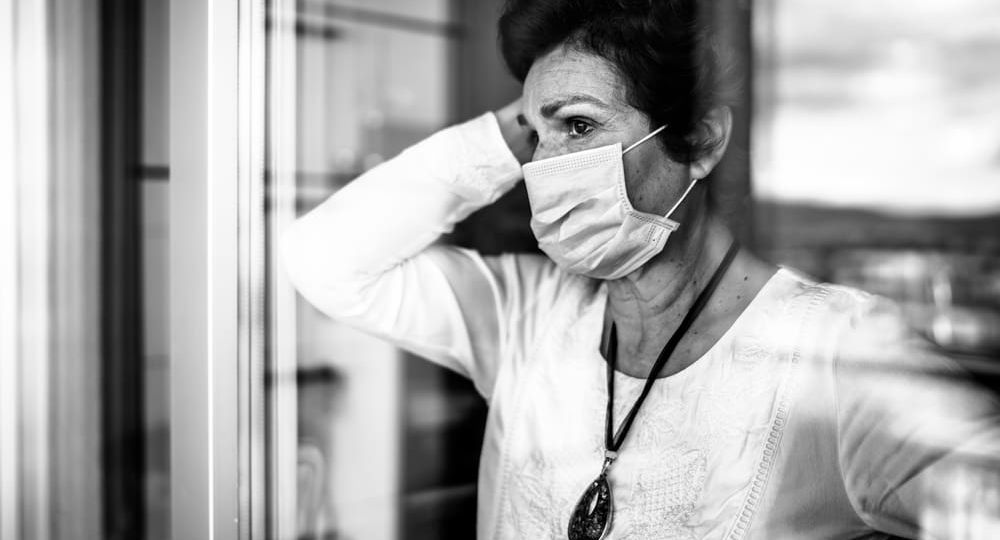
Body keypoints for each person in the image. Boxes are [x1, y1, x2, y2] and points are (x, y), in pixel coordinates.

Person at [282, 1, 1000, 538]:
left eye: (580, 127)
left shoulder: (837, 352)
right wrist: (509, 129)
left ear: (702, 142)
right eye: (536, 136)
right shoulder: (524, 316)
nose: (543, 168)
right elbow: (326, 261)